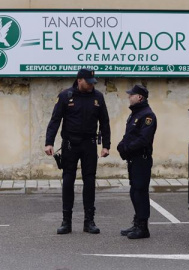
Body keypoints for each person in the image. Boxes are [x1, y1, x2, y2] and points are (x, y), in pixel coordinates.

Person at [44, 68, 111, 235]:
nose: (91, 85)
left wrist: (106, 145)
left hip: (89, 144)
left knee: (89, 182)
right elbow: (55, 119)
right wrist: (49, 142)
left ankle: (89, 221)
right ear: (79, 80)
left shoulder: (98, 97)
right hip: (70, 145)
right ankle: (66, 221)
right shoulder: (66, 96)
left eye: (92, 83)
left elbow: (105, 122)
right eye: (88, 82)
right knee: (68, 181)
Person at [117, 85, 157, 239]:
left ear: (140, 97)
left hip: (142, 158)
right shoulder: (135, 114)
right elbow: (130, 135)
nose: (129, 97)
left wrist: (127, 149)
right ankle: (137, 222)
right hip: (133, 159)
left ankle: (143, 227)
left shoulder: (148, 116)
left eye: (131, 95)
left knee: (140, 192)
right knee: (134, 191)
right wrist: (121, 145)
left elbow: (143, 139)